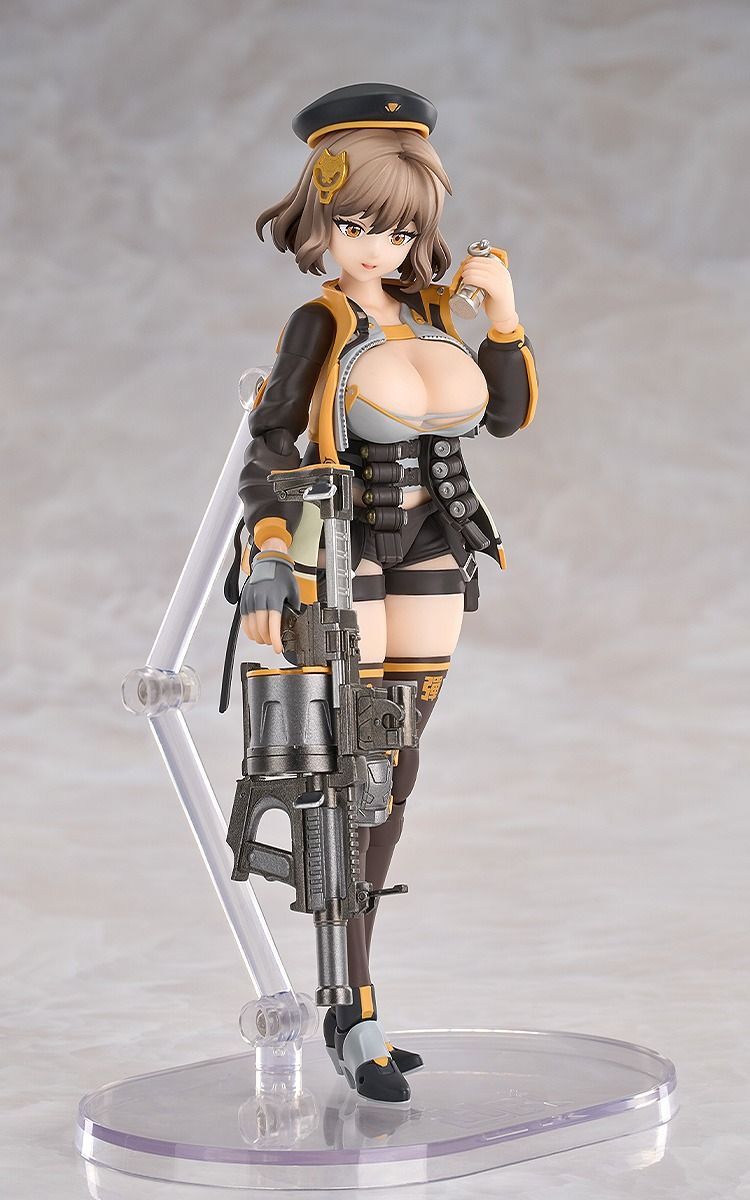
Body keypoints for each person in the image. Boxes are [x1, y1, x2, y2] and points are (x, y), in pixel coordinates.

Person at [236, 83, 538, 1102]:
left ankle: (356, 996)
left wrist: (504, 316)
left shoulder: (438, 315)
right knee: (355, 769)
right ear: (322, 220)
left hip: (437, 545)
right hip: (347, 546)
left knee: (397, 768)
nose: (379, 247)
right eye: (359, 224)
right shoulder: (318, 324)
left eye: (401, 229)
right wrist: (269, 557)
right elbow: (271, 447)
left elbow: (506, 417)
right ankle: (354, 1006)